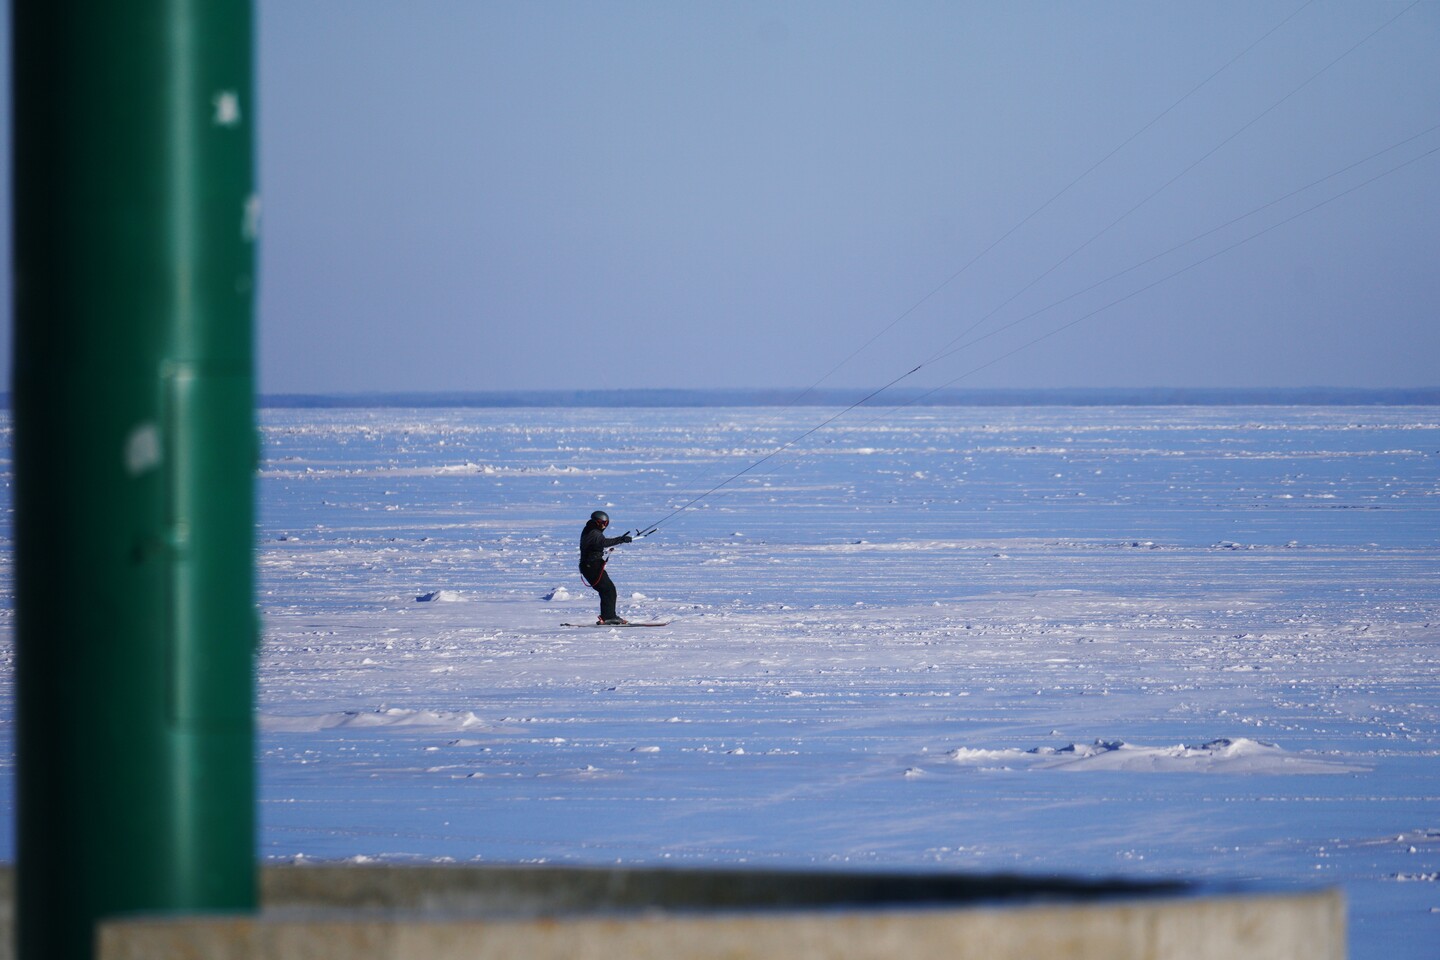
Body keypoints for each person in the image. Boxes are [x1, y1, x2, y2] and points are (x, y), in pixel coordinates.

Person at [578, 510, 633, 624]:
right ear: (597, 522)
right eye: (603, 523)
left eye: (606, 523)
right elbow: (603, 542)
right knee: (608, 590)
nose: (604, 526)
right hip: (591, 566)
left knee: (607, 590)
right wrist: (621, 539)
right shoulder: (593, 532)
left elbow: (599, 544)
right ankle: (609, 617)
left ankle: (607, 616)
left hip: (592, 565)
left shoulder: (591, 530)